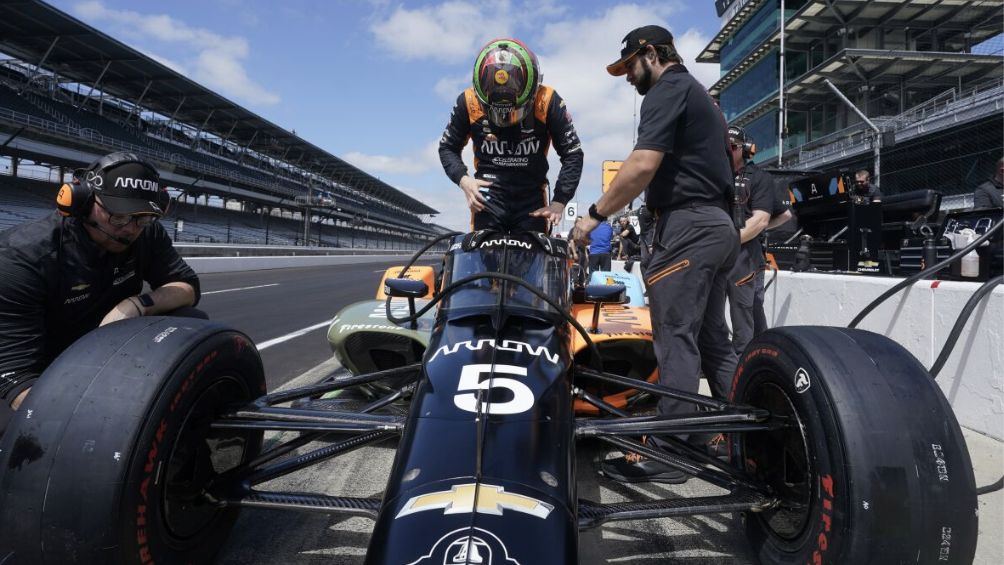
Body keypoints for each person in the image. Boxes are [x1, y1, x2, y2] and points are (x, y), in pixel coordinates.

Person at [571, 25, 739, 484]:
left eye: (629, 66)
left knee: (674, 337)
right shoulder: (701, 95)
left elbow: (642, 165)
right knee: (712, 341)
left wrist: (593, 215)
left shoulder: (667, 89)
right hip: (720, 227)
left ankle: (669, 452)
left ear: (650, 54)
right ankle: (739, 437)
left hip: (686, 228)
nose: (628, 77)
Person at [0, 152, 202, 438]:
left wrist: (138, 303)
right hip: (37, 367)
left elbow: (187, 287)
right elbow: (17, 377)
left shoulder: (146, 232)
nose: (131, 229)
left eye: (143, 218)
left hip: (102, 354)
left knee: (191, 320)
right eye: (118, 216)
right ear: (79, 202)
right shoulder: (22, 258)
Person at [439, 38, 584, 233]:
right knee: (484, 260)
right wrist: (464, 180)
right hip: (487, 197)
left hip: (532, 199)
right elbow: (448, 147)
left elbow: (573, 153)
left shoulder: (547, 100)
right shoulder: (468, 101)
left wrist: (559, 201)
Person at [724, 126, 788, 356]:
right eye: (724, 146)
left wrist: (758, 229)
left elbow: (784, 215)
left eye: (732, 147)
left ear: (745, 149)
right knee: (709, 310)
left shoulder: (759, 177)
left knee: (744, 310)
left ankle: (746, 360)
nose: (727, 151)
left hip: (744, 254)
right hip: (718, 252)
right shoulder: (716, 175)